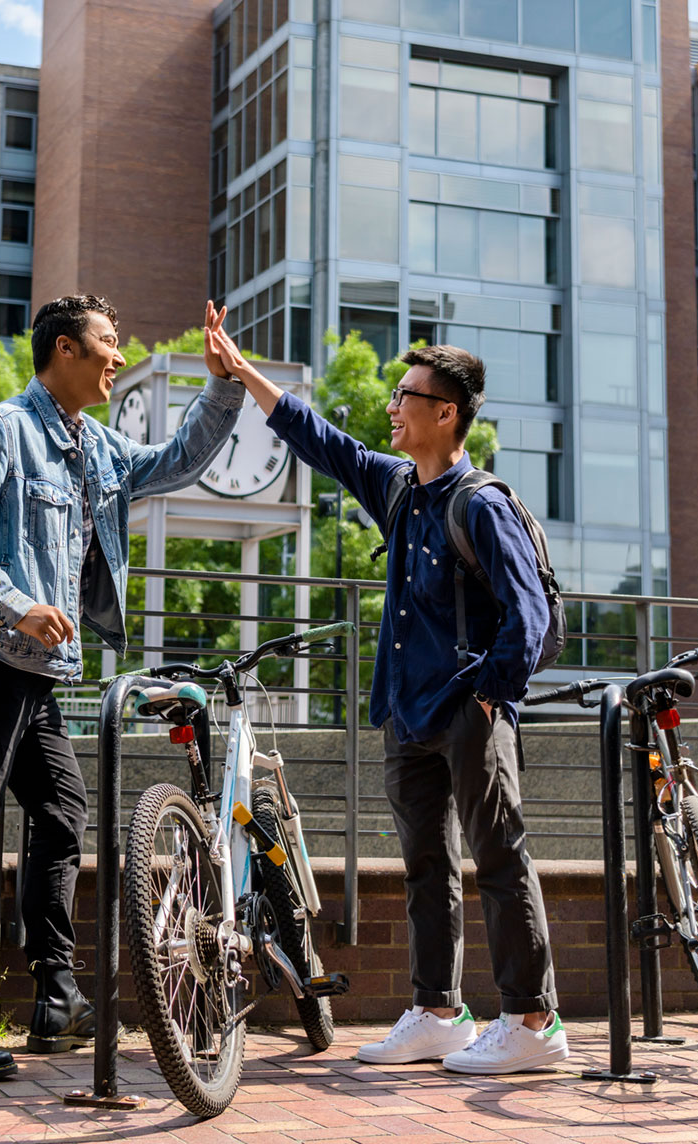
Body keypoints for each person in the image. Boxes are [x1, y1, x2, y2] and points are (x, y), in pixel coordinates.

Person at [0, 294, 245, 1083]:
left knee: (62, 811)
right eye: (109, 343)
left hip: (31, 670)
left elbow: (177, 461)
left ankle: (56, 997)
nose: (119, 356)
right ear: (65, 351)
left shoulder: (97, 447)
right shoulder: (8, 429)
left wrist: (223, 386)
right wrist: (13, 601)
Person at [206, 324, 566, 1076]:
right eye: (396, 394)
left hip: (470, 709)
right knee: (425, 866)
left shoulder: (482, 504)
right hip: (407, 711)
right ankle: (439, 1012)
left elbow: (527, 614)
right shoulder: (399, 486)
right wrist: (242, 374)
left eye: (407, 397)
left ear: (448, 414)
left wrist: (492, 697)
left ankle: (533, 1019)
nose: (392, 406)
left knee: (499, 858)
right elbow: (322, 441)